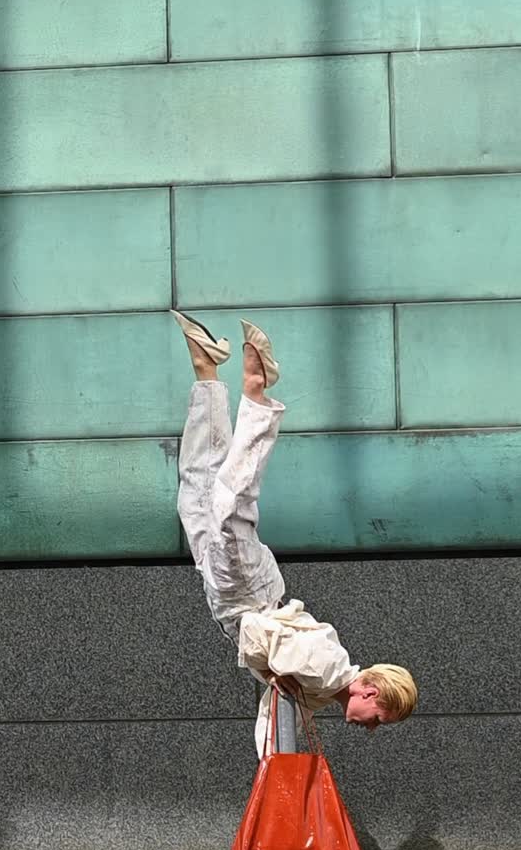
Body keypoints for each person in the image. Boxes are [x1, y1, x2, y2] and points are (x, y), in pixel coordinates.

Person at [172, 310, 417, 756]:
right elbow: (263, 640)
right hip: (247, 596)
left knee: (198, 495)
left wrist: (272, 760)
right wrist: (266, 666)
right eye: (380, 718)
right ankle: (257, 396)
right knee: (230, 508)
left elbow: (281, 706)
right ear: (370, 693)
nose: (373, 728)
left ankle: (207, 368)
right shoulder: (327, 671)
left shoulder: (324, 686)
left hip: (235, 595)